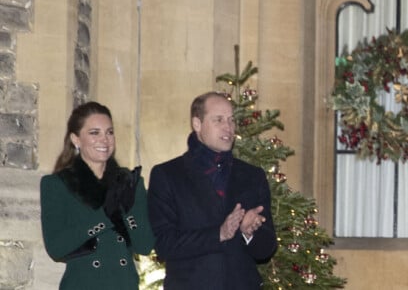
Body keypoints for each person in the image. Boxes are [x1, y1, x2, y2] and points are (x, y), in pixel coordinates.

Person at [148, 91, 277, 289]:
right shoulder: (168, 175)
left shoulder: (252, 176)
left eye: (231, 120)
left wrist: (248, 233)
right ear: (197, 124)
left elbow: (266, 249)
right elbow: (164, 245)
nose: (228, 127)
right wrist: (219, 234)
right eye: (218, 120)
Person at [40, 101, 155, 289]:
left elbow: (144, 245)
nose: (105, 140)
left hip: (123, 283)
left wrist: (126, 211)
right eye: (94, 133)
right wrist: (104, 216)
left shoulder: (129, 182)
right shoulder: (57, 184)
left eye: (109, 132)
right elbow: (56, 248)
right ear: (76, 139)